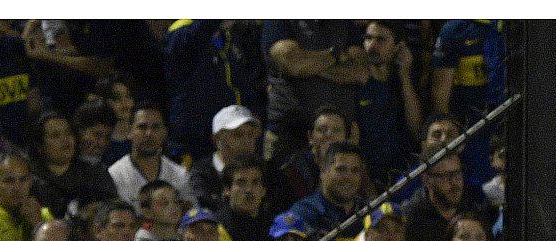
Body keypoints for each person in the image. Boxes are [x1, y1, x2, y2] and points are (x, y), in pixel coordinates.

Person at [161, 19, 267, 163]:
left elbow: (244, 85)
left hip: (231, 138)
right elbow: (198, 33)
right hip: (196, 143)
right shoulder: (180, 34)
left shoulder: (229, 37)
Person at [260, 20, 366, 162]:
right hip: (288, 133)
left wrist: (309, 64)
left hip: (337, 133)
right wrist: (336, 55)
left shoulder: (344, 21)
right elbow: (294, 63)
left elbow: (360, 71)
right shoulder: (280, 20)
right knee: (283, 182)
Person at [430, 19, 505, 187]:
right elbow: (441, 95)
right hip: (471, 131)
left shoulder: (517, 25)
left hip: (509, 124)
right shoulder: (456, 30)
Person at [357, 21, 421, 187]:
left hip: (402, 173)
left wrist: (404, 74)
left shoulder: (402, 81)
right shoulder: (356, 81)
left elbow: (416, 129)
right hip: (367, 176)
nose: (372, 45)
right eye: (368, 38)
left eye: (381, 40)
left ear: (397, 47)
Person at [401, 150, 491, 241]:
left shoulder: (474, 208)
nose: (455, 183)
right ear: (427, 180)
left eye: (457, 174)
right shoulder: (411, 216)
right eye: (446, 176)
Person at [30, 111, 117, 219]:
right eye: (55, 135)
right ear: (40, 146)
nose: (65, 140)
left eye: (68, 133)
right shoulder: (32, 181)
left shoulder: (95, 173)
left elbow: (114, 209)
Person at [108, 105, 196, 208]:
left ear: (164, 133)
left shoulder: (180, 175)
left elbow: (192, 217)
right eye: (142, 127)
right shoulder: (115, 175)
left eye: (155, 127)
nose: (149, 134)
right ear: (129, 131)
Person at [286, 142, 367, 241]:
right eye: (341, 170)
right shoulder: (302, 212)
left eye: (355, 171)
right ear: (323, 172)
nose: (348, 177)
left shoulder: (369, 211)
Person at [189, 105, 263, 213]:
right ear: (216, 139)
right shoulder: (201, 174)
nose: (246, 141)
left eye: (251, 134)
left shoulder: (267, 171)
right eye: (238, 135)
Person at [217, 156, 273, 241]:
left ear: (263, 190)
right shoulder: (217, 229)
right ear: (227, 190)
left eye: (255, 183)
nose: (249, 190)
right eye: (241, 183)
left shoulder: (274, 225)